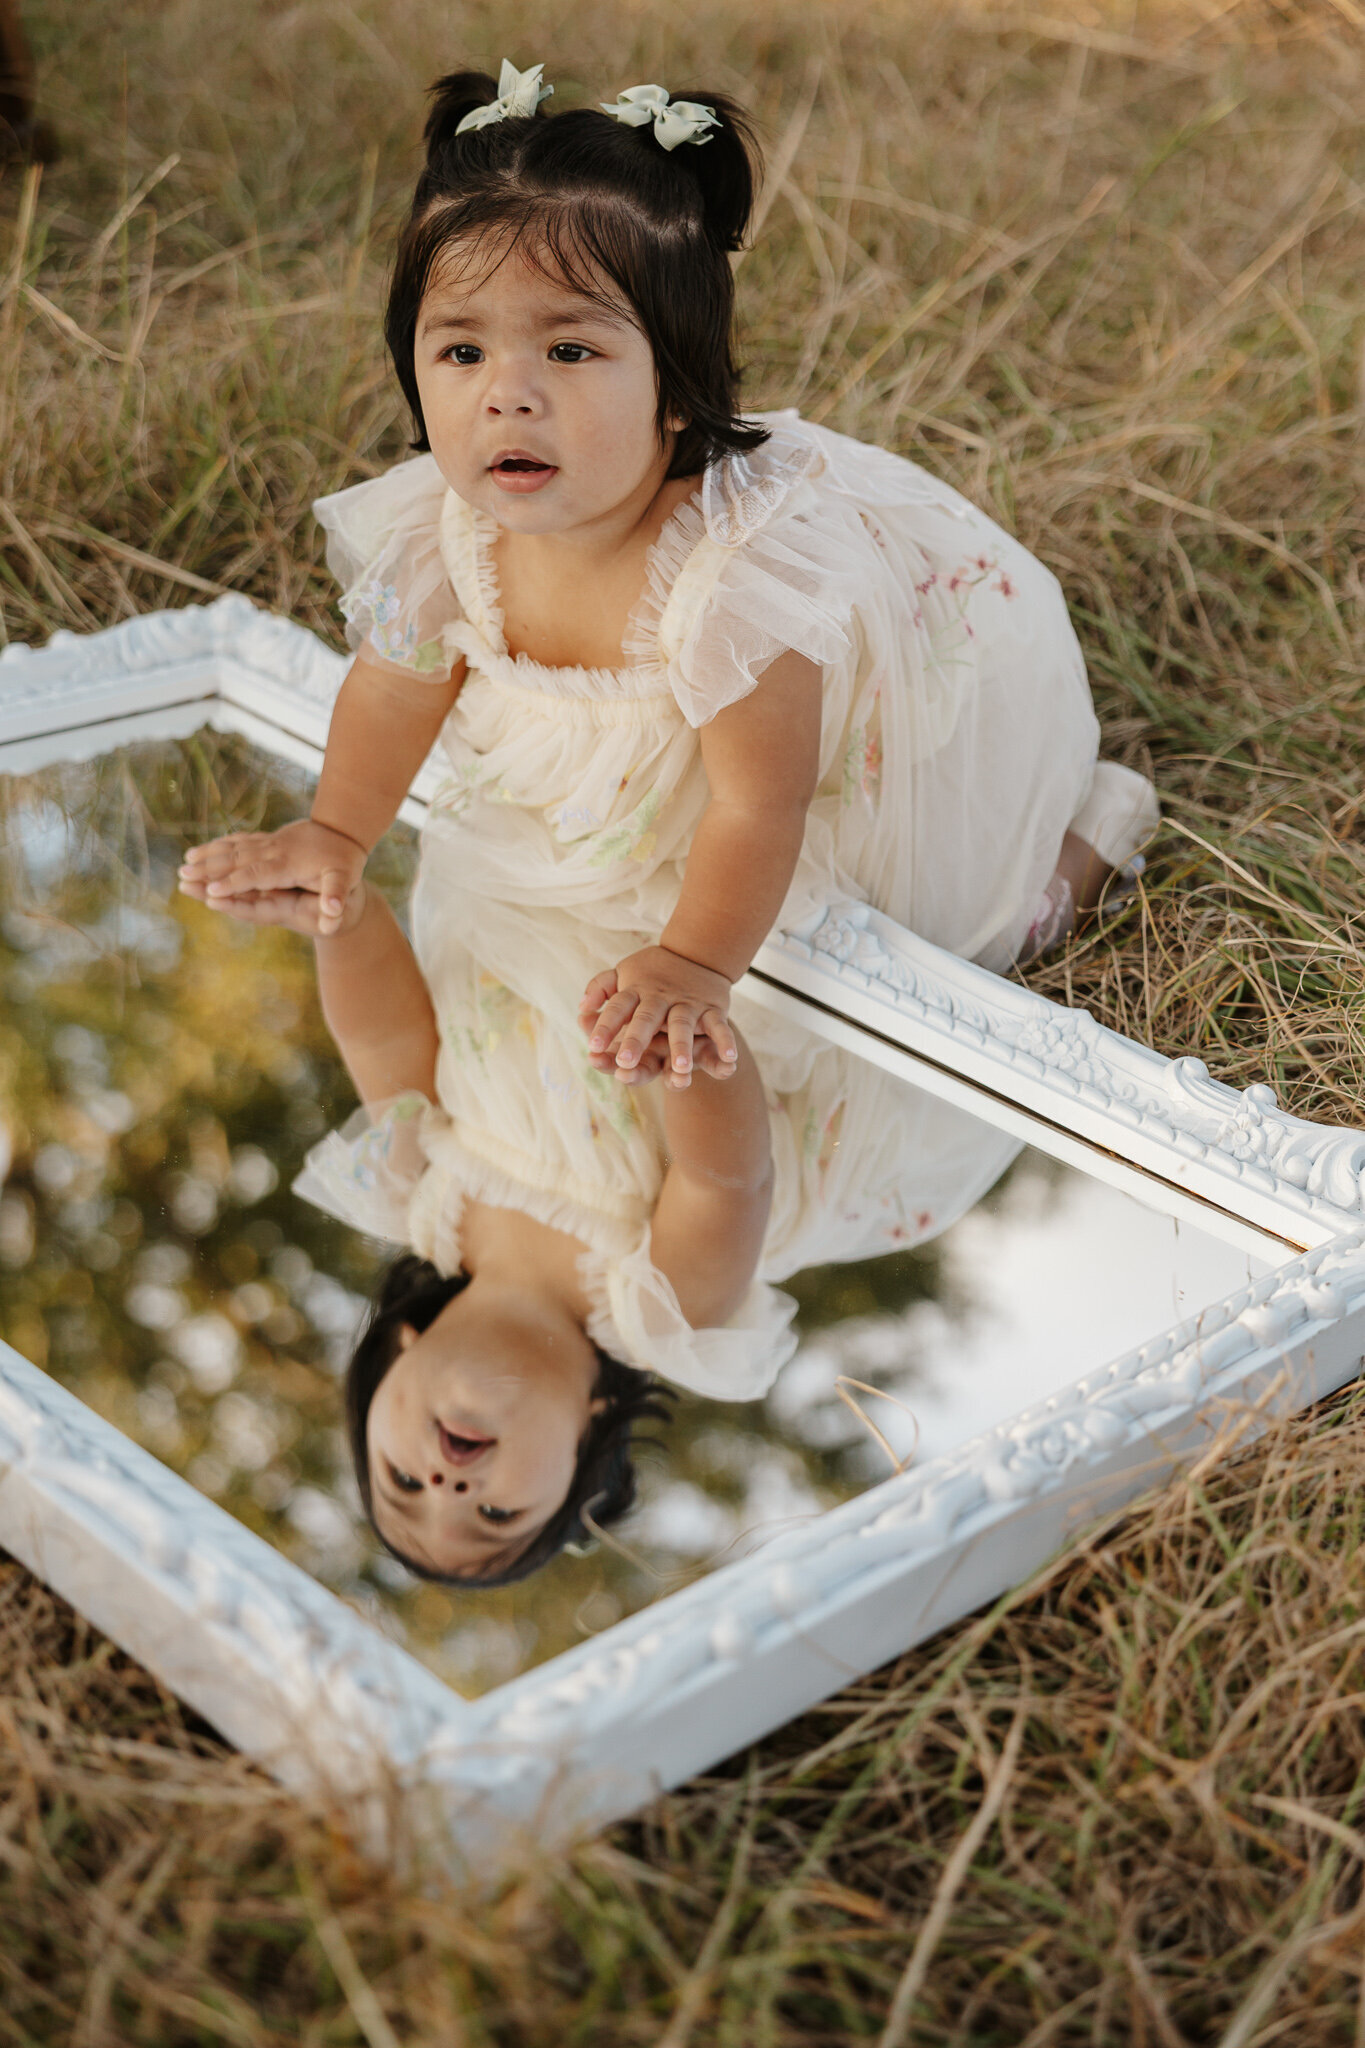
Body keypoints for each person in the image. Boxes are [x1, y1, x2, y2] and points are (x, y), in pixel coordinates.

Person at [179, 59, 1157, 1584]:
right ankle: (1083, 849)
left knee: (855, 803)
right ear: (588, 1443)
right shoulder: (664, 1311)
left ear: (676, 381)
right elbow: (724, 1181)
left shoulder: (423, 1181)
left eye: (567, 347)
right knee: (970, 931)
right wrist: (700, 1000)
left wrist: (339, 873)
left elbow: (757, 799)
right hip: (717, 1010)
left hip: (683, 853)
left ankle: (1038, 830)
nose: (506, 392)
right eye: (459, 351)